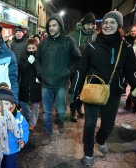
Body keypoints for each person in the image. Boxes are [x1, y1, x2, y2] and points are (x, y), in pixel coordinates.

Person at [69, 11, 136, 166]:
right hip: (93, 90)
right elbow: (81, 69)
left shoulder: (126, 48)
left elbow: (131, 71)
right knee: (89, 124)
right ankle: (88, 153)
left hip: (114, 91)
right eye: (106, 22)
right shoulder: (92, 46)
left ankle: (100, 139)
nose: (108, 25)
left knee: (108, 125)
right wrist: (73, 90)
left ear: (119, 26)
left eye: (112, 23)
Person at [35, 13, 81, 145]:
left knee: (61, 110)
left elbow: (77, 58)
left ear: (60, 26)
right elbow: (37, 59)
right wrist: (40, 72)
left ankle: (60, 120)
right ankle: (47, 132)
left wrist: (68, 72)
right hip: (46, 84)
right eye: (49, 25)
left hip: (61, 83)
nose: (51, 28)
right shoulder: (43, 44)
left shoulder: (68, 41)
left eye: (54, 25)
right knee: (47, 112)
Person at [0, 82, 29, 168]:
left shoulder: (18, 116)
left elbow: (24, 128)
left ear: (12, 105)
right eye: (0, 104)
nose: (3, 107)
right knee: (0, 165)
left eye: (6, 103)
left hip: (12, 147)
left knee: (9, 166)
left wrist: (23, 140)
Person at [68, 12, 97, 122]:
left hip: (89, 68)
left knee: (84, 90)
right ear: (83, 24)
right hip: (75, 67)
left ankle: (79, 106)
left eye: (92, 25)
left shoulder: (95, 35)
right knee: (73, 90)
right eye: (88, 24)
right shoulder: (73, 34)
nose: (90, 27)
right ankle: (73, 110)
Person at [18, 38, 41, 131]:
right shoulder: (23, 57)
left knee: (36, 104)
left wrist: (39, 78)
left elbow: (41, 69)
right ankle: (28, 115)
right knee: (23, 102)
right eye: (29, 48)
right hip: (25, 83)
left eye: (33, 48)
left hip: (35, 83)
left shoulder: (39, 57)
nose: (31, 50)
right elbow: (21, 70)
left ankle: (33, 122)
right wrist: (28, 62)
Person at [123, 26, 136, 111]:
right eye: (132, 31)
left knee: (133, 84)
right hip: (126, 63)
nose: (133, 32)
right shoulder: (126, 40)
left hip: (135, 63)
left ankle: (131, 103)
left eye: (135, 31)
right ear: (129, 32)